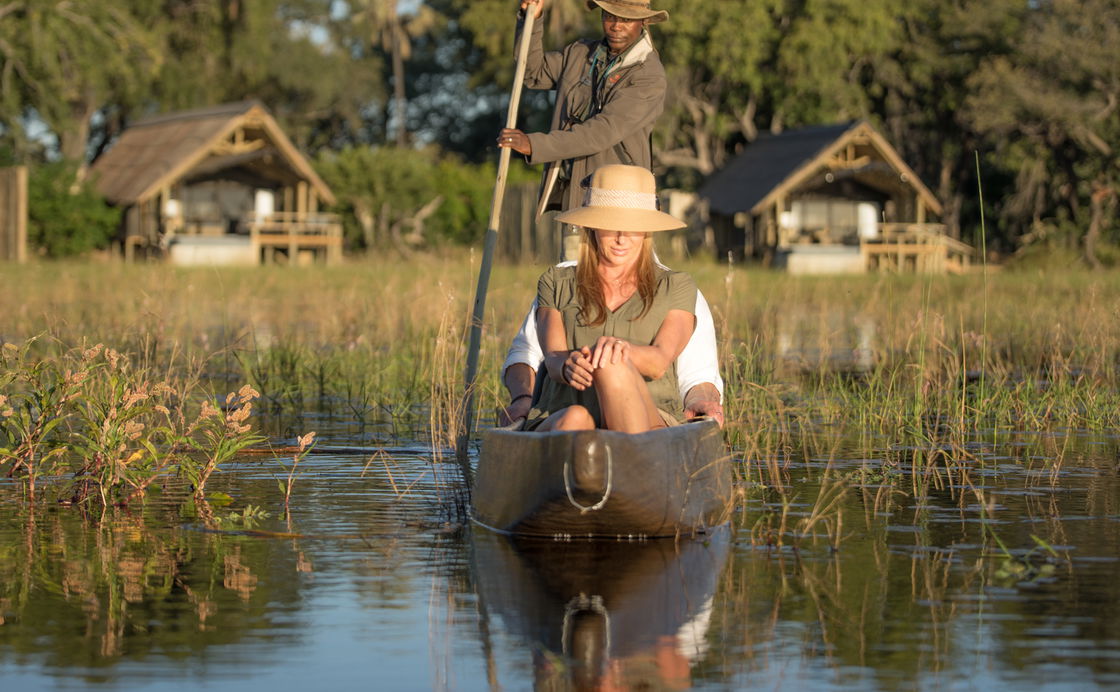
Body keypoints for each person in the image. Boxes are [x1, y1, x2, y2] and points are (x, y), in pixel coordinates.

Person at [516, 164, 715, 433]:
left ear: (647, 230)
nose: (622, 238)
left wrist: (615, 350)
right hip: (564, 412)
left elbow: (658, 362)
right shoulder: (555, 281)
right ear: (593, 227)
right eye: (611, 226)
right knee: (576, 418)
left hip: (647, 418)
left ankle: (628, 461)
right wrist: (567, 365)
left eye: (632, 227)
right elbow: (552, 358)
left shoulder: (676, 284)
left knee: (612, 363)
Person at [497, 0, 669, 223]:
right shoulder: (580, 53)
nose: (616, 26)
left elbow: (600, 133)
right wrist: (532, 19)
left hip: (621, 199)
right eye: (609, 16)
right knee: (572, 257)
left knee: (612, 257)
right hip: (576, 194)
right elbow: (532, 72)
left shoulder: (649, 76)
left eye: (626, 19)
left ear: (643, 21)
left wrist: (534, 145)